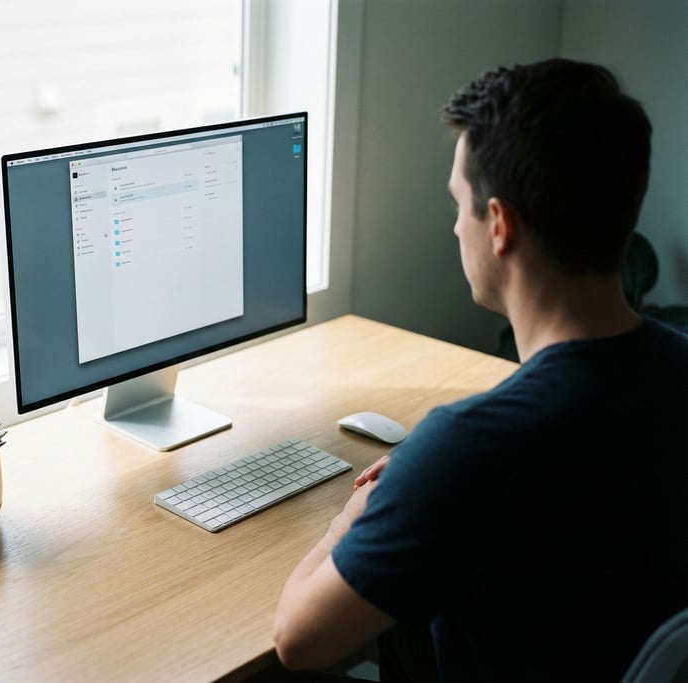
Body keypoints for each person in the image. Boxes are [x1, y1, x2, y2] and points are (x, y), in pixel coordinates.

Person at [273, 58, 688, 682]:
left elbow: (298, 640)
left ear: (499, 225)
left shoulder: (469, 449)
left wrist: (355, 515)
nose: (455, 226)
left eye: (460, 204)